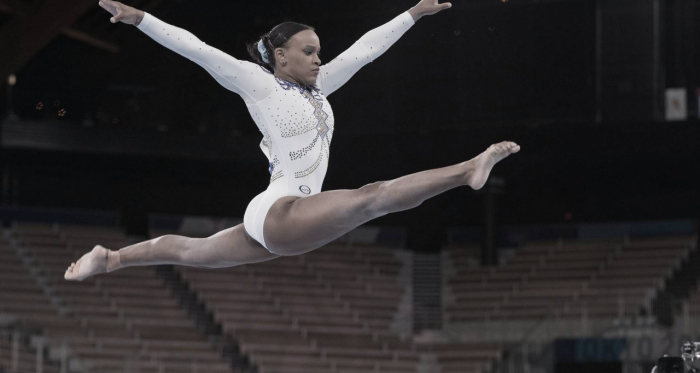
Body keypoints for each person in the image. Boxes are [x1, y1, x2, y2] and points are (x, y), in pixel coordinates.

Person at [65, 0, 520, 281]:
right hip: (282, 211)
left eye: (320, 51)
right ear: (280, 57)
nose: (320, 59)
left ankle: (112, 259)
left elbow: (364, 50)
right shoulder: (259, 85)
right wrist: (142, 19)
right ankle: (467, 170)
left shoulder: (319, 89)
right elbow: (199, 50)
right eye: (309, 52)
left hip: (282, 218)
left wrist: (413, 14)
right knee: (370, 198)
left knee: (192, 251)